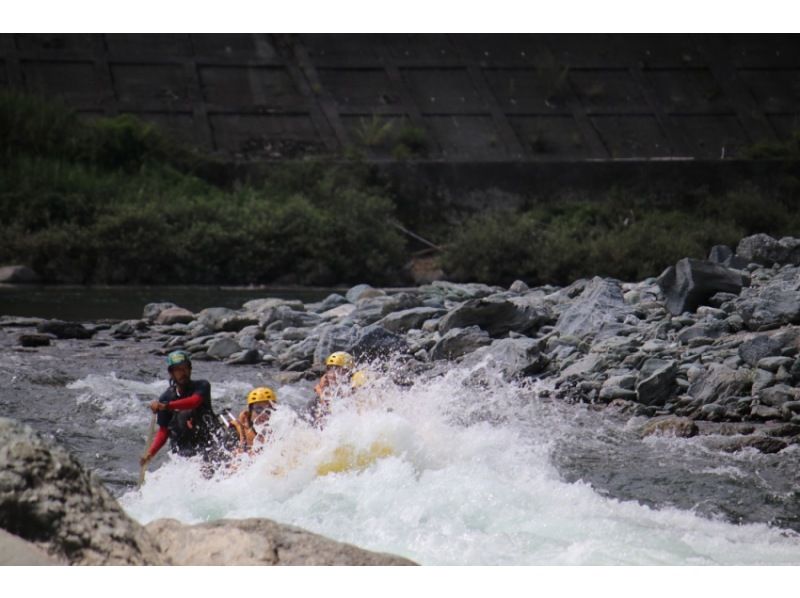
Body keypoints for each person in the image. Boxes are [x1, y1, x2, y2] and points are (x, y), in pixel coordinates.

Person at [140, 350, 225, 473]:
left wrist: (167, 406)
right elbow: (164, 431)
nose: (182, 373)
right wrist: (150, 453)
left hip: (208, 443)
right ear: (171, 373)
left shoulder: (202, 386)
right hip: (184, 449)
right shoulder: (166, 397)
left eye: (185, 368)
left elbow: (194, 401)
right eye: (178, 370)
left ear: (190, 369)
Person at [310, 351, 366, 428]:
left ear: (348, 373)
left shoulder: (356, 388)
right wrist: (321, 395)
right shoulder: (319, 397)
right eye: (330, 369)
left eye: (338, 369)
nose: (332, 374)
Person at [232, 386, 277, 454]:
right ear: (250, 411)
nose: (263, 414)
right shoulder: (235, 432)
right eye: (258, 409)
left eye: (268, 410)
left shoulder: (280, 430)